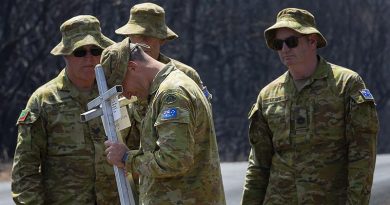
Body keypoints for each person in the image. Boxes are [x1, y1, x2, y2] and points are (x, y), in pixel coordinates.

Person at [241, 8, 379, 205]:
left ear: (312, 41)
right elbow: (258, 166)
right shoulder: (268, 95)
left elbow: (362, 158)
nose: (285, 49)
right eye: (279, 44)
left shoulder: (346, 85)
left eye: (291, 41)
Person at [101, 38, 226, 205]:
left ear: (132, 67)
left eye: (122, 87)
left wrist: (126, 158)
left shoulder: (172, 94)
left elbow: (174, 160)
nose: (127, 95)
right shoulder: (164, 91)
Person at [11, 15, 119, 204]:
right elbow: (25, 170)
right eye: (80, 52)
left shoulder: (115, 93)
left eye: (95, 50)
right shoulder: (44, 101)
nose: (89, 58)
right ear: (66, 55)